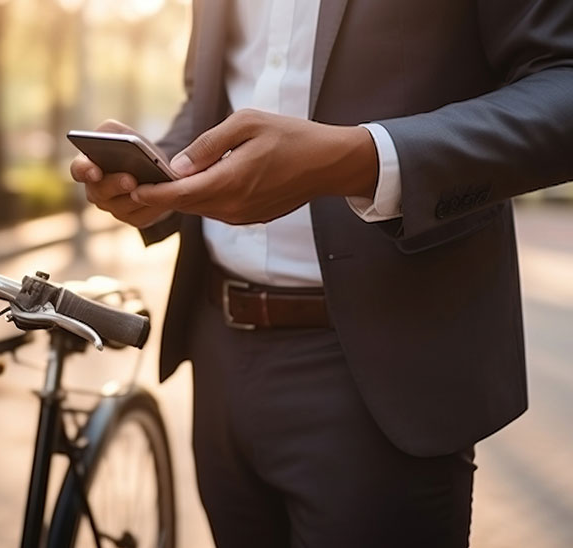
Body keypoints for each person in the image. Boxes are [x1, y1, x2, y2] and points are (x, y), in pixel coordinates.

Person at [70, 1, 573, 547]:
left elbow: (561, 84)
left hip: (386, 363)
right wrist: (165, 174)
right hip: (217, 353)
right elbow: (213, 98)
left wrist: (358, 159)